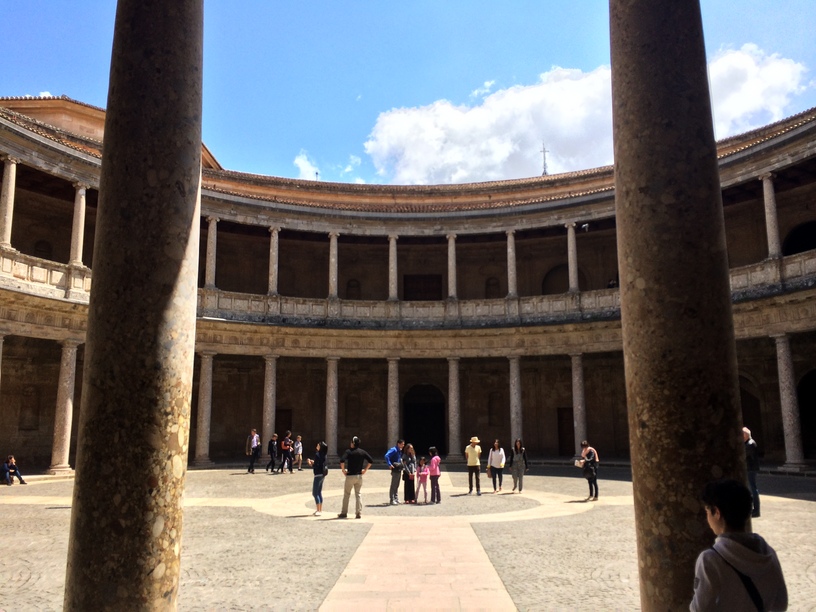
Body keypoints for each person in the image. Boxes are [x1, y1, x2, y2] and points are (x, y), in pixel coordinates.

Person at [690, 479, 787, 611]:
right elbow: (781, 604)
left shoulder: (710, 560)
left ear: (717, 512)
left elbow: (700, 609)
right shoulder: (768, 553)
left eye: (707, 511)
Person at [338, 436, 373, 519]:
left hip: (350, 475)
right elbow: (371, 461)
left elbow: (342, 460)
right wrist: (365, 470)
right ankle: (358, 512)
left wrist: (343, 470)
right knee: (358, 494)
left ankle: (344, 512)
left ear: (353, 443)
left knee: (347, 494)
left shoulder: (348, 452)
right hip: (359, 476)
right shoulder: (362, 452)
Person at [306, 441, 328, 516]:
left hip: (318, 474)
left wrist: (310, 463)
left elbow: (316, 466)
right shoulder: (324, 454)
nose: (317, 446)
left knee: (315, 493)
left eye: (318, 445)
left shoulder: (317, 454)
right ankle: (320, 509)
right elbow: (320, 463)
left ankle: (318, 510)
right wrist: (314, 462)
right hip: (322, 474)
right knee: (319, 492)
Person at [743, 427, 760, 518]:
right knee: (751, 489)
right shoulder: (748, 443)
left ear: (745, 435)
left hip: (751, 469)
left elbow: (744, 456)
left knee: (753, 489)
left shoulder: (750, 444)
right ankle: (752, 509)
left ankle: (756, 510)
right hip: (750, 468)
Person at [385, 438, 405, 505]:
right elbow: (386, 456)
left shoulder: (399, 450)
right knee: (393, 484)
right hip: (395, 468)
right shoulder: (394, 449)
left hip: (399, 468)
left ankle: (396, 498)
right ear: (398, 444)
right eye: (402, 444)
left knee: (397, 484)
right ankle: (392, 499)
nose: (403, 446)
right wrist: (389, 464)